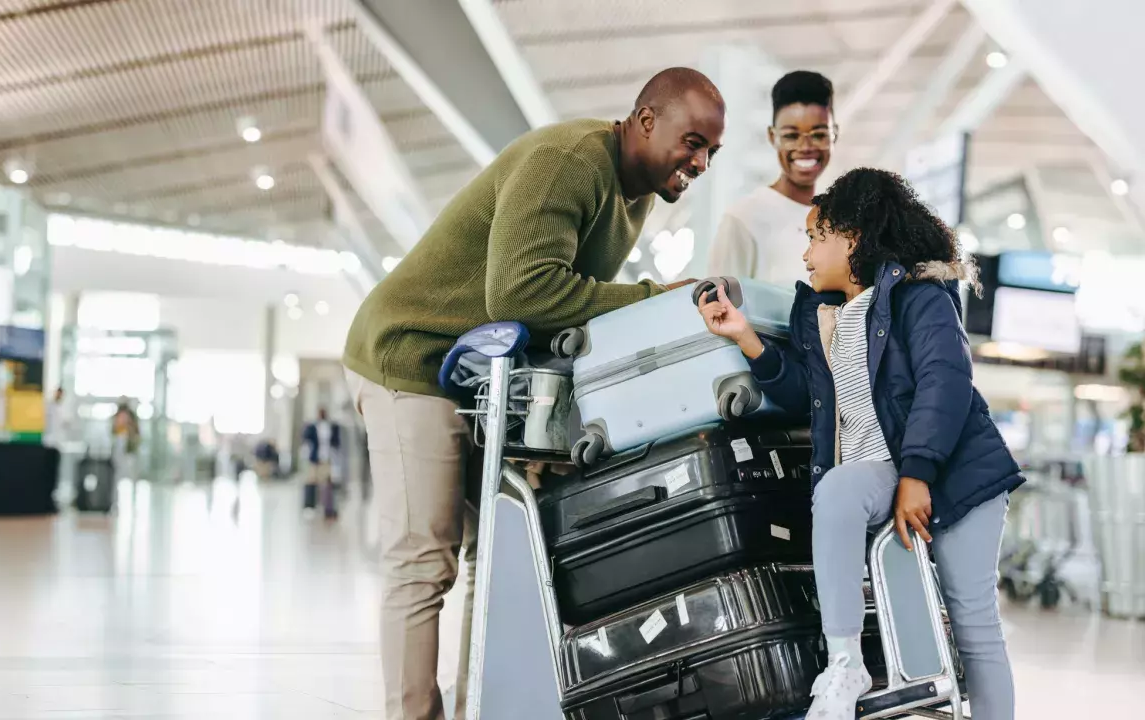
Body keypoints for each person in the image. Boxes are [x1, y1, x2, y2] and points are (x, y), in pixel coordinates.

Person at [343, 67, 726, 720]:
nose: (700, 161)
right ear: (644, 120)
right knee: (424, 559)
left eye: (711, 152)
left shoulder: (632, 197)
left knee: (492, 559)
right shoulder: (570, 160)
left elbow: (554, 319)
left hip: (478, 377)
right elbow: (523, 294)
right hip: (411, 356)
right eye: (692, 141)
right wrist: (657, 298)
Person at [697, 168, 1022, 720]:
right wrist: (745, 337)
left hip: (958, 476)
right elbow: (807, 394)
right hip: (881, 468)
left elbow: (946, 382)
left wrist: (918, 475)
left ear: (851, 237)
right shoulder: (824, 315)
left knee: (973, 623)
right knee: (840, 488)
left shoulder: (921, 297)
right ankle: (844, 662)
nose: (806, 255)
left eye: (815, 238)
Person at [706, 70, 836, 287]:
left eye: (819, 134)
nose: (805, 147)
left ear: (835, 135)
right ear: (772, 137)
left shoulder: (841, 220)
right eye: (791, 136)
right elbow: (717, 310)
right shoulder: (744, 219)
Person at [301, 409, 340, 519]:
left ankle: (329, 510)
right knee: (311, 482)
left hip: (326, 459)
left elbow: (335, 443)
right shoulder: (312, 427)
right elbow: (306, 440)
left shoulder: (331, 427)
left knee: (327, 484)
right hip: (314, 459)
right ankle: (309, 507)